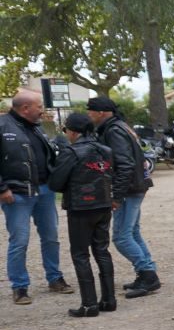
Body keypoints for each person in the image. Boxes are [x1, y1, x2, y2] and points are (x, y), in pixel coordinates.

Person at [0, 89, 72, 304]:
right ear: (25, 108)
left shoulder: (38, 128)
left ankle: (55, 278)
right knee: (19, 241)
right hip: (18, 194)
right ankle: (20, 287)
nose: (42, 110)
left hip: (45, 191)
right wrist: (2, 188)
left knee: (51, 237)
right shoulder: (3, 126)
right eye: (39, 106)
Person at [88, 96, 160, 298]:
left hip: (128, 190)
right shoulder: (121, 126)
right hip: (136, 186)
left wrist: (116, 195)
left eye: (90, 111)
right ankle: (146, 272)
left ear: (101, 112)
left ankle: (148, 275)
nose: (89, 115)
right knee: (133, 233)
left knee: (121, 237)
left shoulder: (113, 131)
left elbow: (125, 164)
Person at [48, 113, 116, 317]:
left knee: (80, 254)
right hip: (103, 205)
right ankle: (109, 299)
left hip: (81, 207)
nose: (66, 134)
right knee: (102, 250)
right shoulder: (105, 150)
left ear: (73, 131)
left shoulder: (71, 152)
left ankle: (89, 304)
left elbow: (56, 183)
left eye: (66, 130)